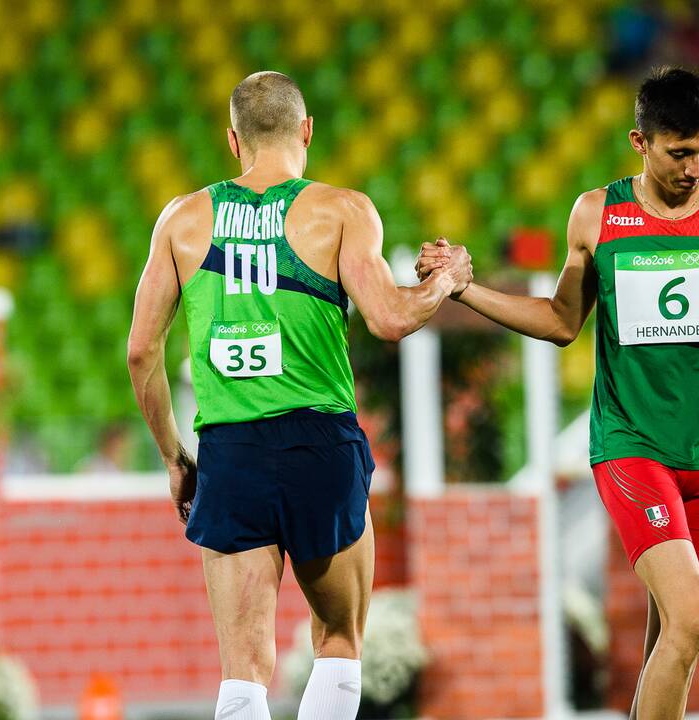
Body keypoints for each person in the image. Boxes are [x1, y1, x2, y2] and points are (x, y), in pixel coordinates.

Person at [417, 67, 699, 720]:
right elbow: (563, 321)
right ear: (640, 142)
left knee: (673, 636)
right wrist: (465, 291)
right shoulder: (598, 214)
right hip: (630, 446)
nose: (694, 167)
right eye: (680, 153)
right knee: (694, 621)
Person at [128, 70, 472, 720]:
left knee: (243, 671)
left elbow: (141, 351)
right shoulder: (341, 211)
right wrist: (445, 282)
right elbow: (392, 319)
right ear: (307, 130)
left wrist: (176, 458)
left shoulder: (182, 219)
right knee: (339, 643)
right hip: (320, 444)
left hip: (229, 451)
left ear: (233, 141)